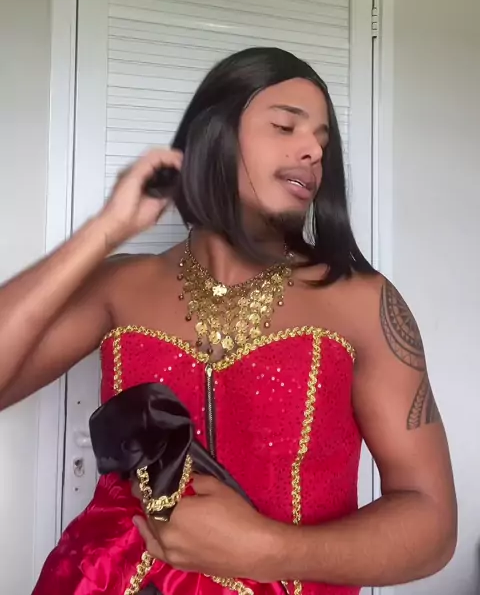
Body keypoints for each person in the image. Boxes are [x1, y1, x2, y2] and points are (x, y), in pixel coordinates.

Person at [0, 47, 456, 595]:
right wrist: (106, 229)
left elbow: (432, 523)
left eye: (323, 141)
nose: (314, 150)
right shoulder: (121, 286)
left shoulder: (363, 302)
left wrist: (269, 549)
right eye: (285, 126)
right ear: (213, 134)